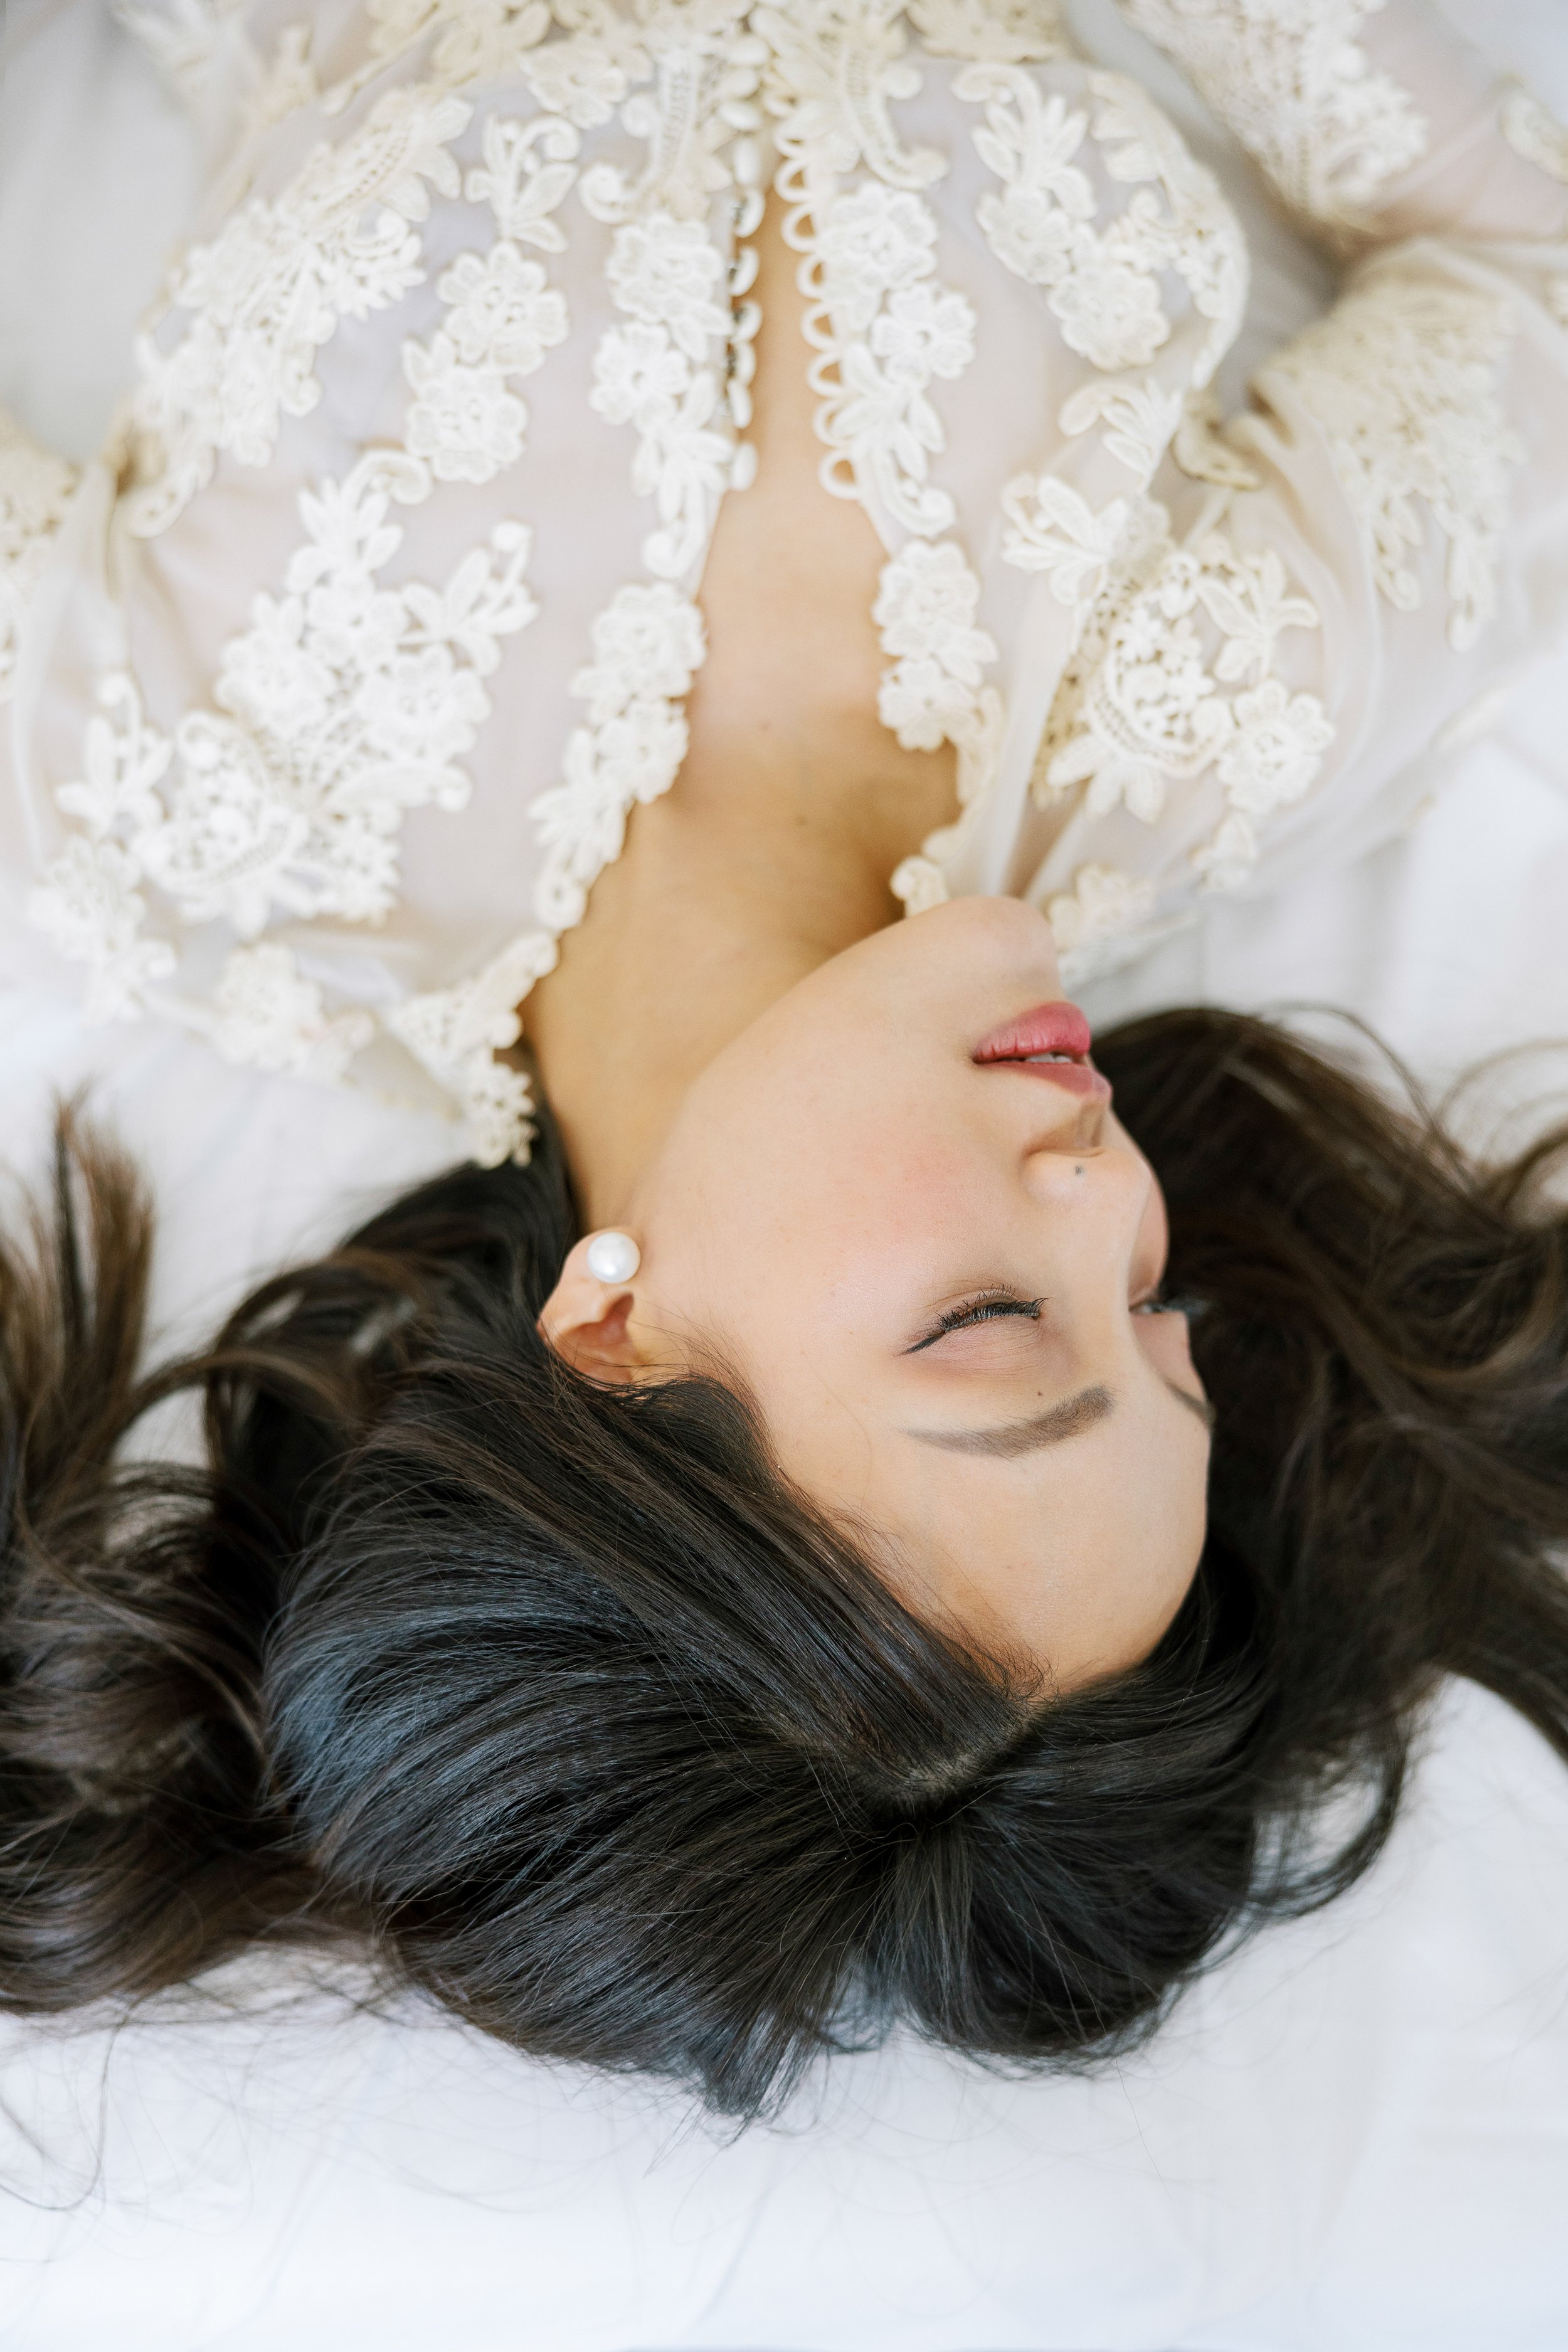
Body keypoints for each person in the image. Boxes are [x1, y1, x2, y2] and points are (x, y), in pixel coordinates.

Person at [3, 0, 1568, 2121]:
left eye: (996, 1323)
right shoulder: (1208, 720)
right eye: (1159, 1317)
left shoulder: (181, 814)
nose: (1109, 1188)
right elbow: (1517, 267)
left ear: (614, 1339)